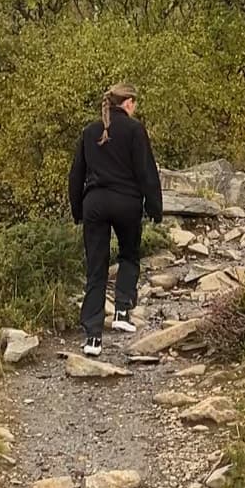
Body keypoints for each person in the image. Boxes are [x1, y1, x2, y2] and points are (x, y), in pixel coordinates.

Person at [68, 83, 163, 356]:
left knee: (96, 271)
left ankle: (93, 339)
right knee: (129, 255)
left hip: (95, 204)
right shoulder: (135, 130)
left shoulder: (89, 131)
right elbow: (146, 171)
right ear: (129, 103)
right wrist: (155, 207)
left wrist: (78, 211)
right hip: (127, 203)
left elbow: (76, 176)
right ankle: (122, 310)